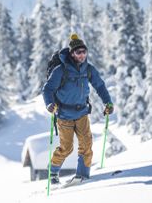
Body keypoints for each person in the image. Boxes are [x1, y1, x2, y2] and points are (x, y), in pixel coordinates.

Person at [42, 33, 114, 185]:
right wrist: (49, 104)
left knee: (86, 145)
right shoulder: (61, 70)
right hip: (64, 115)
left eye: (84, 52)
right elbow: (47, 89)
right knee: (66, 148)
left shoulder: (88, 69)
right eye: (78, 52)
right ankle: (52, 173)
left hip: (82, 113)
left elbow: (100, 86)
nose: (82, 55)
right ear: (72, 53)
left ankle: (82, 175)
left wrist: (108, 102)